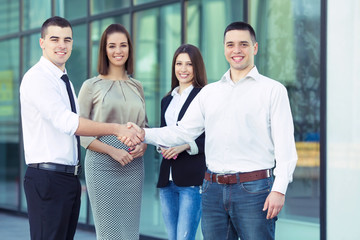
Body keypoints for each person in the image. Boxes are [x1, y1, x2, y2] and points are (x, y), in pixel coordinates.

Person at [130, 21, 298, 239]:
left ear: (255, 48)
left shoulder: (273, 91)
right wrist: (144, 134)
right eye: (230, 44)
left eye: (243, 44)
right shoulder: (209, 93)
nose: (236, 50)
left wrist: (279, 189)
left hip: (255, 190)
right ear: (224, 48)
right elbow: (182, 132)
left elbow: (285, 146)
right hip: (212, 190)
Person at [20, 17, 142, 240]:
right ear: (42, 42)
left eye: (67, 40)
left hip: (68, 179)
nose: (62, 45)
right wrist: (116, 129)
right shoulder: (38, 79)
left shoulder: (62, 80)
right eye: (54, 39)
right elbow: (68, 122)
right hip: (47, 178)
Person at [77, 23, 148, 240]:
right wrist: (112, 151)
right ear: (104, 50)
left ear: (130, 49)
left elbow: (145, 126)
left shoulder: (137, 86)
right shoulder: (91, 86)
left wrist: (143, 146)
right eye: (112, 46)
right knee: (109, 233)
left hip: (134, 165)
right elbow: (81, 132)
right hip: (102, 164)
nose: (118, 51)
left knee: (129, 232)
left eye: (123, 45)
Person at [157, 44, 207, 240]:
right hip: (166, 178)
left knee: (184, 238)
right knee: (173, 237)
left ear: (197, 67)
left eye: (189, 64)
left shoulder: (203, 96)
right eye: (179, 63)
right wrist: (161, 147)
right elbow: (163, 133)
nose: (183, 69)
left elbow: (210, 136)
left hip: (192, 180)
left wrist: (185, 145)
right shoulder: (167, 100)